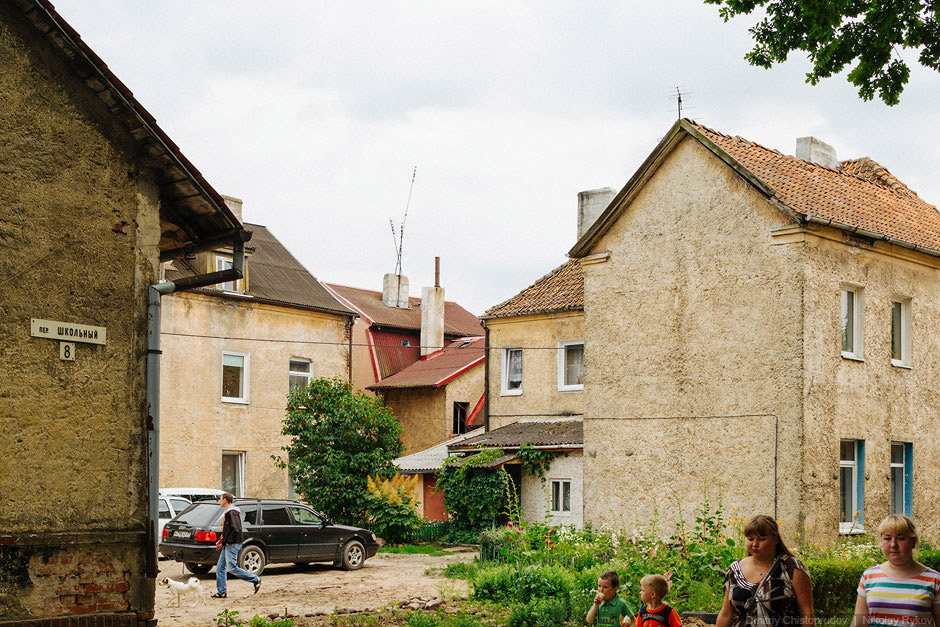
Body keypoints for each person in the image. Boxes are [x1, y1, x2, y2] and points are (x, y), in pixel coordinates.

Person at [716, 514, 814, 627]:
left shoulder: (791, 568)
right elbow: (726, 614)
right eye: (750, 539)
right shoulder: (735, 570)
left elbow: (806, 613)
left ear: (775, 540)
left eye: (761, 539)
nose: (755, 544)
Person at [851, 515, 940, 627]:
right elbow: (859, 624)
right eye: (887, 538)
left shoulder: (935, 580)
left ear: (913, 542)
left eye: (901, 538)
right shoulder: (869, 577)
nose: (893, 545)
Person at [211, 492, 261, 599]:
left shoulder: (232, 512)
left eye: (220, 499)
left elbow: (236, 529)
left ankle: (255, 579)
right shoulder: (229, 512)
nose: (219, 501)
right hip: (228, 543)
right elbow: (228, 529)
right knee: (220, 568)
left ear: (225, 500)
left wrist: (228, 541)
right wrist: (222, 541)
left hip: (233, 544)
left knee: (232, 568)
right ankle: (222, 592)